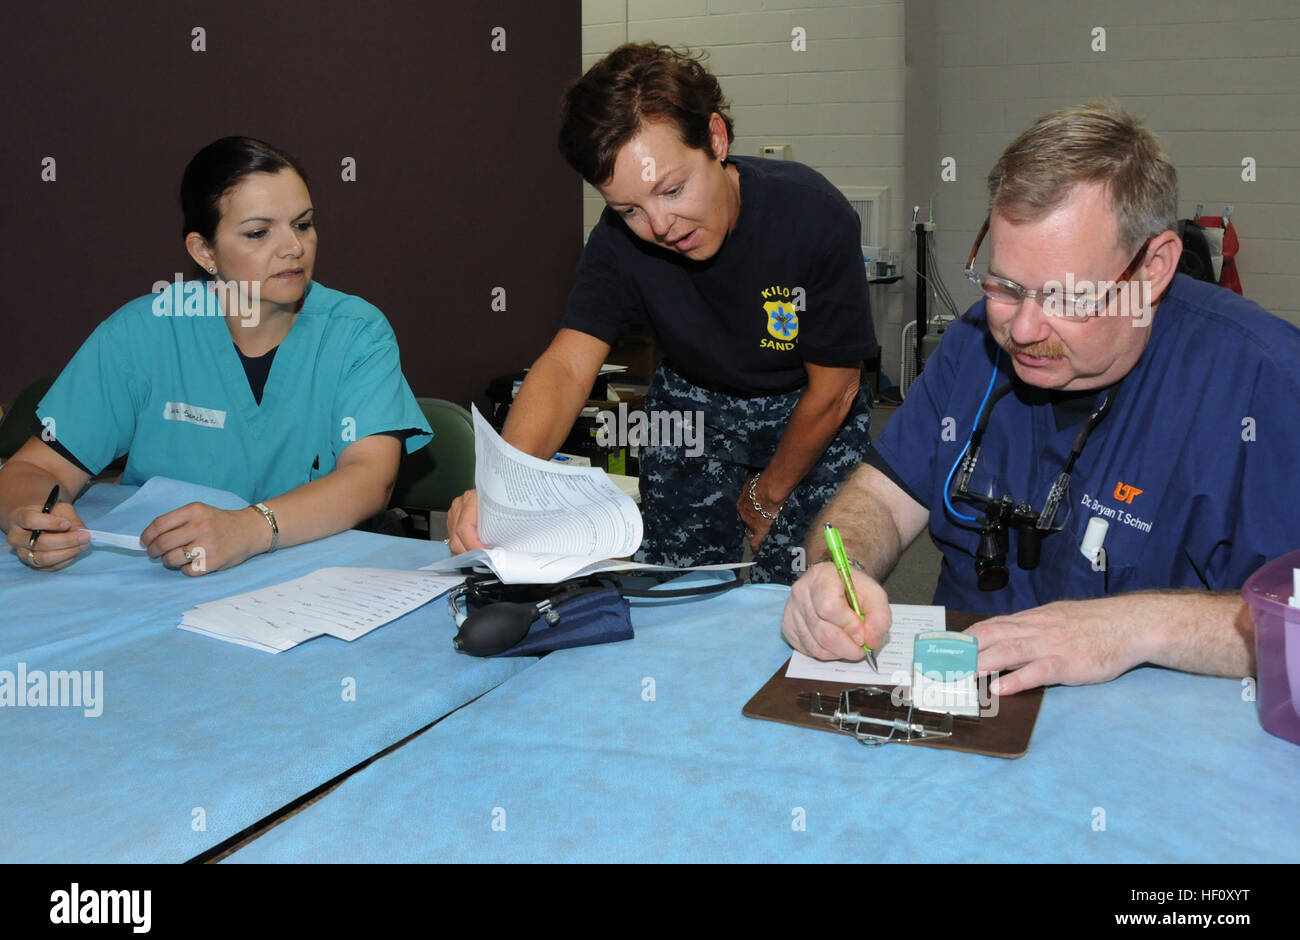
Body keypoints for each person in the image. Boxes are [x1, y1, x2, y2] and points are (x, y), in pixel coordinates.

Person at [782, 100, 1300, 694]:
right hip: (964, 711)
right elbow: (879, 498)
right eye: (1005, 285)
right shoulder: (975, 343)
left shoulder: (1266, 385)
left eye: (1065, 297)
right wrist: (833, 574)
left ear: (1153, 267)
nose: (1023, 330)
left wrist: (1132, 628)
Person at [448, 44, 877, 584]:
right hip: (693, 409)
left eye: (672, 189)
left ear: (716, 139)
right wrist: (503, 492)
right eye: (629, 209)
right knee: (678, 592)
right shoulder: (616, 244)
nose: (660, 225)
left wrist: (766, 496)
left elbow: (834, 389)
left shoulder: (811, 217)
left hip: (809, 409)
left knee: (805, 596)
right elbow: (566, 367)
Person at [1, 136, 430, 575]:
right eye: (259, 233)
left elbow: (368, 480)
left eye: (303, 224)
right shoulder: (145, 332)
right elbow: (34, 467)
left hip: (315, 582)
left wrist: (249, 529)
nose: (294, 248)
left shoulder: (356, 333)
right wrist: (34, 517)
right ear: (204, 251)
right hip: (165, 583)